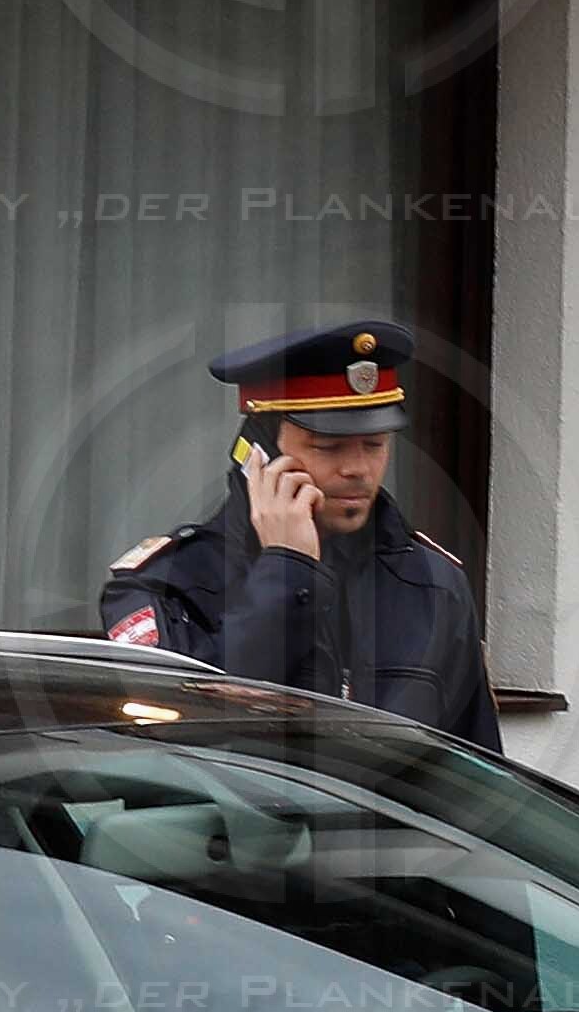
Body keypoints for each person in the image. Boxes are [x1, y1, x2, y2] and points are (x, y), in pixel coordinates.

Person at [102, 319, 499, 751]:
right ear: (258, 456)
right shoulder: (163, 586)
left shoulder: (434, 583)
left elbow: (481, 771)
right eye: (328, 447)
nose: (358, 469)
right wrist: (287, 573)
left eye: (375, 444)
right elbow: (189, 740)